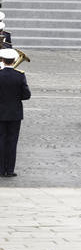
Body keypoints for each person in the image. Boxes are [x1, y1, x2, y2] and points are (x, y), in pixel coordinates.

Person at [0, 48, 30, 178]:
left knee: (1, 140)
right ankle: (10, 169)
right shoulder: (20, 75)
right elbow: (26, 95)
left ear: (2, 60)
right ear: (14, 61)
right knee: (12, 141)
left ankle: (0, 169)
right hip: (15, 113)